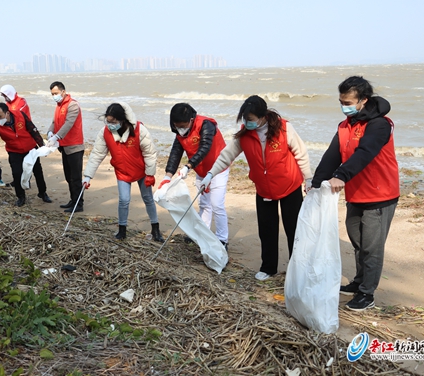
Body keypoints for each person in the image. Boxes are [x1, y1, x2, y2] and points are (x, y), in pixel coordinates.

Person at [311, 76, 399, 312]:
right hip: (356, 193)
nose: (344, 106)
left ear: (363, 100)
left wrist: (341, 175)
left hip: (380, 194)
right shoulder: (344, 126)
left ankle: (367, 293)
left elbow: (365, 152)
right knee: (358, 242)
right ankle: (359, 282)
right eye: (341, 102)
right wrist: (316, 183)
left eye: (348, 102)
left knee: (372, 247)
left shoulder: (380, 125)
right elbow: (332, 156)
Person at [205, 95, 312, 281]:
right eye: (245, 119)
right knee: (267, 230)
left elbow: (301, 153)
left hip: (289, 186)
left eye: (251, 119)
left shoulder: (284, 128)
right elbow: (226, 155)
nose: (247, 123)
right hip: (263, 189)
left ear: (263, 117)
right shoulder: (245, 134)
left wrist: (309, 178)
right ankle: (268, 268)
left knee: (294, 229)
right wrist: (210, 174)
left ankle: (298, 269)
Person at [82, 103, 164, 241]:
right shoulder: (105, 132)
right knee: (124, 200)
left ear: (122, 120)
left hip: (142, 171)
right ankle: (122, 230)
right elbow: (97, 154)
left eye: (113, 122)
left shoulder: (139, 130)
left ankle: (155, 229)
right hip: (122, 172)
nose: (110, 125)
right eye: (108, 122)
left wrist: (150, 174)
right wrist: (88, 176)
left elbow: (150, 153)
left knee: (148, 198)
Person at [159, 103, 229, 249]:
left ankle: (222, 239)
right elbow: (176, 152)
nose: (180, 129)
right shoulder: (180, 132)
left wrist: (188, 166)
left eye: (183, 126)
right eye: (177, 126)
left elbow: (205, 147)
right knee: (204, 204)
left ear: (191, 120)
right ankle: (202, 233)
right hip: (201, 170)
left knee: (216, 204)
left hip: (218, 168)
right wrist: (167, 176)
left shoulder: (206, 125)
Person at [0, 103, 52, 207]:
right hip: (14, 152)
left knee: (37, 171)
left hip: (30, 149)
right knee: (17, 174)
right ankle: (21, 197)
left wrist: (42, 147)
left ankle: (42, 193)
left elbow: (33, 130)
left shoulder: (20, 115)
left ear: (7, 113)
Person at [47, 81, 85, 213]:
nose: (54, 96)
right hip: (64, 146)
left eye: (56, 93)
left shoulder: (73, 105)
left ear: (63, 91)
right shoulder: (58, 105)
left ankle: (78, 204)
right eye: (52, 94)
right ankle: (73, 200)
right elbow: (54, 122)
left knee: (75, 177)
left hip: (75, 146)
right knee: (68, 176)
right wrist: (50, 132)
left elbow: (69, 123)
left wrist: (56, 137)